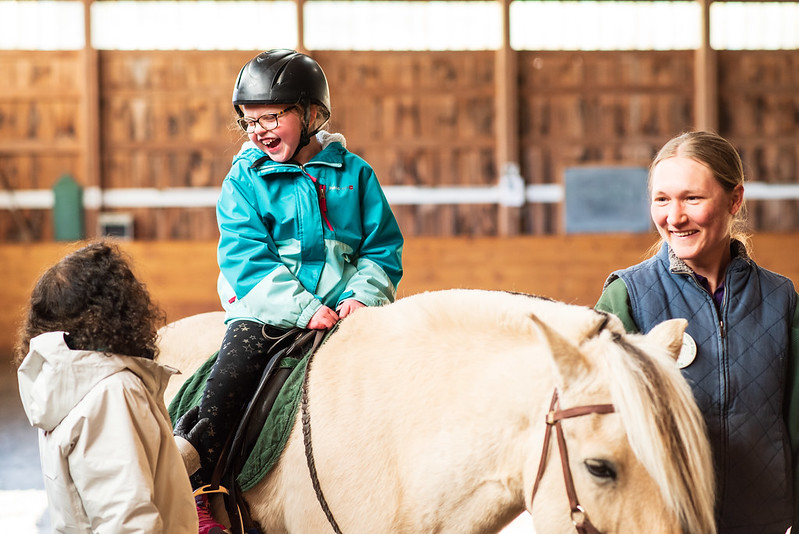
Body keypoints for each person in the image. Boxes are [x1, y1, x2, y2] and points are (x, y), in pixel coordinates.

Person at [184, 49, 404, 532]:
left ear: (311, 114)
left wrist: (361, 298)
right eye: (249, 121)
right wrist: (304, 310)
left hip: (345, 309)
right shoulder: (244, 180)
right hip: (266, 309)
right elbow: (246, 259)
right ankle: (195, 477)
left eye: (271, 117)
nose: (259, 131)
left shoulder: (355, 175)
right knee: (231, 377)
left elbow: (381, 249)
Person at [596, 130, 799, 533]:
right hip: (663, 524)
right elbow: (600, 431)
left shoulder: (781, 299)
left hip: (763, 522)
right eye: (662, 199)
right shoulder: (626, 297)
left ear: (734, 199)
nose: (674, 217)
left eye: (692, 198)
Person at [15, 242, 199, 533]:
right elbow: (127, 521)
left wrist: (183, 454)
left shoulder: (63, 387)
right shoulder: (114, 392)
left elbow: (107, 484)